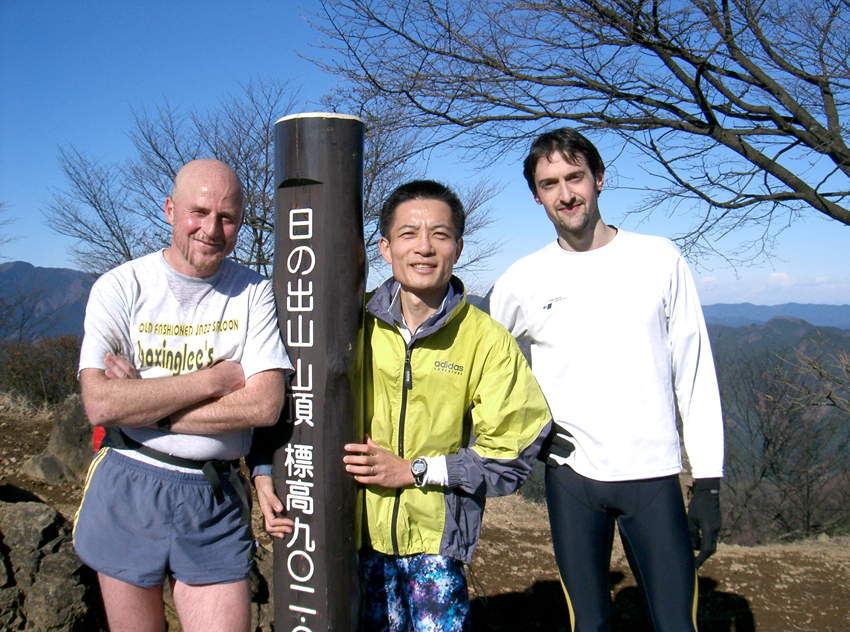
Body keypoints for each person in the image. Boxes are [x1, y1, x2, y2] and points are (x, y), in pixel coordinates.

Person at [254, 179, 552, 632]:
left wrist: (414, 470)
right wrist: (263, 469)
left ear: (458, 246)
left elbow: (511, 455)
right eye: (409, 233)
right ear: (384, 247)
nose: (425, 247)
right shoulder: (350, 327)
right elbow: (283, 395)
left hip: (436, 543)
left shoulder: (484, 338)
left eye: (440, 233)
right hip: (354, 536)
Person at [488, 128, 724, 632]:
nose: (566, 194)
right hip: (572, 475)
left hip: (654, 473)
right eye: (549, 184)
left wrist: (709, 480)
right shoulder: (522, 279)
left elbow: (695, 369)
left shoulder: (659, 259)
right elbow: (484, 366)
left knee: (677, 624)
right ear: (536, 195)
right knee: (590, 623)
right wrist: (526, 434)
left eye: (575, 178)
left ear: (599, 179)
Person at [73, 159, 293, 632]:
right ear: (171, 209)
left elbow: (264, 404)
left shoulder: (253, 292)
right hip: (128, 481)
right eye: (198, 212)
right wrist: (214, 381)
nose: (211, 229)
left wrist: (144, 401)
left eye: (228, 217)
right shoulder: (121, 286)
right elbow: (101, 404)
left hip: (214, 495)